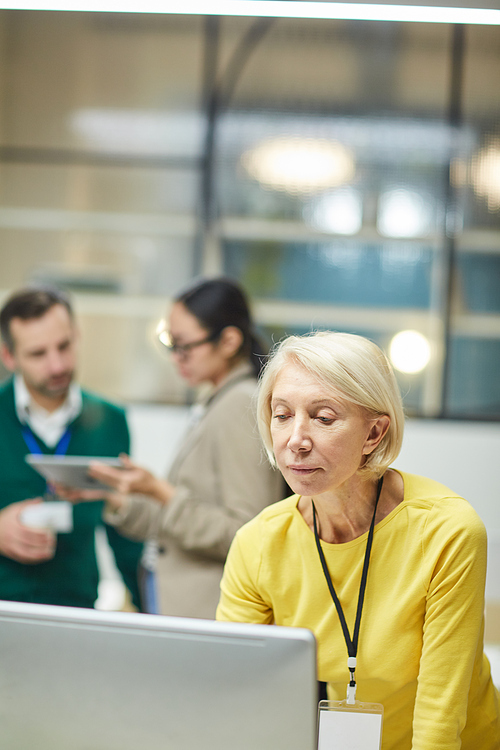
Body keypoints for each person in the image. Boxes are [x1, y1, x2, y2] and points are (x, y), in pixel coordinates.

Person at [216, 330, 500, 750]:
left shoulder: (447, 531)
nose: (296, 440)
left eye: (324, 417)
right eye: (282, 415)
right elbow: (235, 689)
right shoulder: (259, 543)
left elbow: (440, 716)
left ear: (374, 434)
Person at [66, 277, 283, 619]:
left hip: (210, 611)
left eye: (185, 346)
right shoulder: (218, 401)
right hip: (180, 604)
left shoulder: (239, 405)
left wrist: (161, 491)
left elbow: (245, 534)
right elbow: (177, 524)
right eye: (171, 343)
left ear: (228, 341)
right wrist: (116, 496)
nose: (175, 357)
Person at [0, 286, 143, 610]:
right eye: (38, 354)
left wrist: (153, 614)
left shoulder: (110, 421)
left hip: (75, 610)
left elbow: (123, 533)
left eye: (64, 346)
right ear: (9, 356)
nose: (56, 366)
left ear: (76, 336)